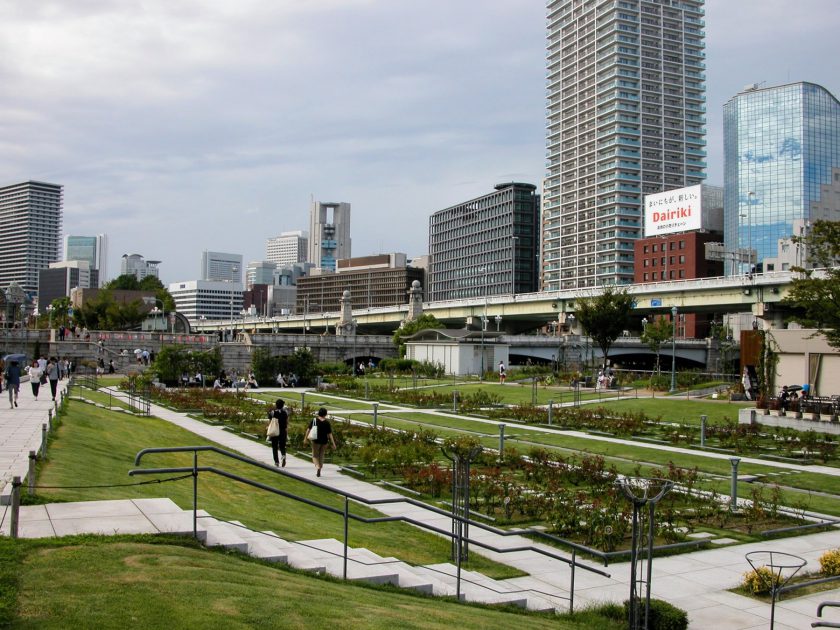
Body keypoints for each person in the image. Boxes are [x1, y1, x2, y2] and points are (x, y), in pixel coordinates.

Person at [303, 407, 337, 477]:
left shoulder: (314, 420)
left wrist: (305, 439)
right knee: (321, 455)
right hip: (324, 441)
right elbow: (330, 434)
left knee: (315, 456)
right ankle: (320, 469)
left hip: (316, 440)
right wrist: (333, 444)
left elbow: (308, 430)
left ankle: (317, 467)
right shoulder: (327, 422)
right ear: (325, 414)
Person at [267, 399, 289, 467]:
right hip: (283, 431)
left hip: (275, 430)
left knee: (274, 446)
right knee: (282, 446)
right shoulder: (285, 412)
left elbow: (270, 421)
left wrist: (268, 428)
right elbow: (287, 422)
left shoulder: (273, 412)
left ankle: (276, 462)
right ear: (282, 405)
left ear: (276, 405)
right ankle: (283, 455)